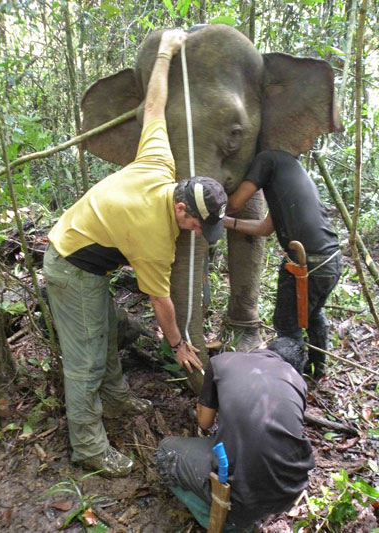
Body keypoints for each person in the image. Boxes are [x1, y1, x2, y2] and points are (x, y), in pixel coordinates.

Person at [43, 29, 228, 479]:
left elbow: (153, 107)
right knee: (85, 359)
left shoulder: (159, 163)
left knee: (103, 335)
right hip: (70, 267)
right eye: (196, 224)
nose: (196, 233)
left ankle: (118, 398)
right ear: (182, 207)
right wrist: (178, 344)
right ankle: (89, 446)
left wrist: (165, 53)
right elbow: (160, 300)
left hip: (84, 259)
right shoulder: (153, 235)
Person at [155, 337, 315, 532]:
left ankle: (229, 524)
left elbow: (205, 422)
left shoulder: (223, 361)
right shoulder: (297, 382)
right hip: (289, 489)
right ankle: (250, 513)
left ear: (265, 347)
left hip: (242, 492)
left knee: (165, 451)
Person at [224, 149, 342, 377]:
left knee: (288, 328)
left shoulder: (266, 159)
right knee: (313, 313)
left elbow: (235, 203)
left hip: (306, 265)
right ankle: (317, 370)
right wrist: (226, 223)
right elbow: (265, 228)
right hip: (331, 261)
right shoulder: (289, 172)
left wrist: (209, 209)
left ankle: (288, 384)